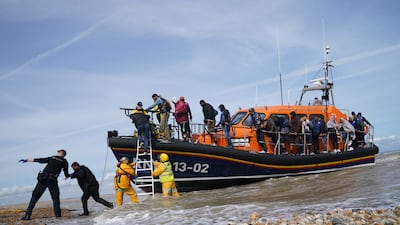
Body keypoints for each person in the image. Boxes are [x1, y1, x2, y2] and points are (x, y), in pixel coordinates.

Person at [19, 149, 70, 220]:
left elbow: (41, 160)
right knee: (55, 198)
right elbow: (66, 172)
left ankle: (27, 215)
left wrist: (27, 160)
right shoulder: (65, 161)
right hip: (52, 180)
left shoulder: (52, 158)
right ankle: (58, 216)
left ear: (59, 153)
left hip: (43, 178)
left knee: (34, 197)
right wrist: (67, 176)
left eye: (57, 152)